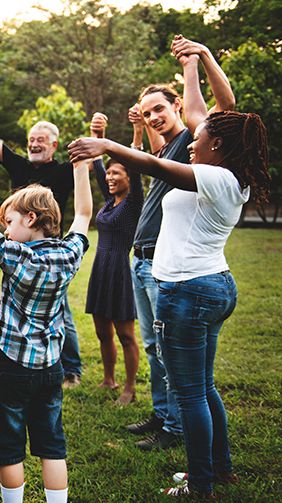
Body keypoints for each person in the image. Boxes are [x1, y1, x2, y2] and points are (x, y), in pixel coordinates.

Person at [68, 40, 270, 500]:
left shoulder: (216, 176)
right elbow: (193, 123)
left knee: (192, 394)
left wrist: (108, 143)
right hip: (210, 285)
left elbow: (156, 163)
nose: (191, 145)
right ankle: (222, 469)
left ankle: (200, 485)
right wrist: (193, 62)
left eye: (198, 141)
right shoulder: (225, 174)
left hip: (189, 291)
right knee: (204, 387)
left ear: (216, 145)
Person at [0, 148, 93, 503]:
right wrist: (82, 167)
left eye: (9, 222)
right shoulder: (70, 253)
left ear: (31, 218)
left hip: (12, 365)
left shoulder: (14, 254)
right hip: (52, 366)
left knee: (10, 446)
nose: (5, 229)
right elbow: (84, 212)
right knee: (52, 445)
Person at [124, 35, 236, 452]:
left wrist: (197, 59)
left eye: (160, 109)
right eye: (147, 110)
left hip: (178, 274)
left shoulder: (195, 147)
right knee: (157, 349)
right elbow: (157, 149)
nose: (154, 116)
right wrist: (140, 125)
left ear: (177, 109)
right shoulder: (183, 148)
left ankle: (177, 431)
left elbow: (215, 112)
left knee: (180, 367)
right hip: (148, 259)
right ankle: (164, 414)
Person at [0, 103, 83, 389]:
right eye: (31, 140)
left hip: (50, 251)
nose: (34, 144)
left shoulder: (64, 171)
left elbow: (86, 188)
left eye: (40, 140)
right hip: (18, 248)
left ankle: (71, 369)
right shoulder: (20, 166)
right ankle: (21, 355)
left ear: (54, 144)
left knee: (60, 309)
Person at [84, 112, 144, 406]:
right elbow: (96, 165)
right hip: (100, 268)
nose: (109, 177)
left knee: (125, 334)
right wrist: (98, 134)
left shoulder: (134, 202)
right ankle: (109, 379)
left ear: (129, 178)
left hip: (120, 268)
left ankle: (130, 388)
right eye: (108, 174)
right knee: (101, 331)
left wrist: (136, 132)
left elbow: (135, 162)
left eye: (116, 173)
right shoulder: (110, 201)